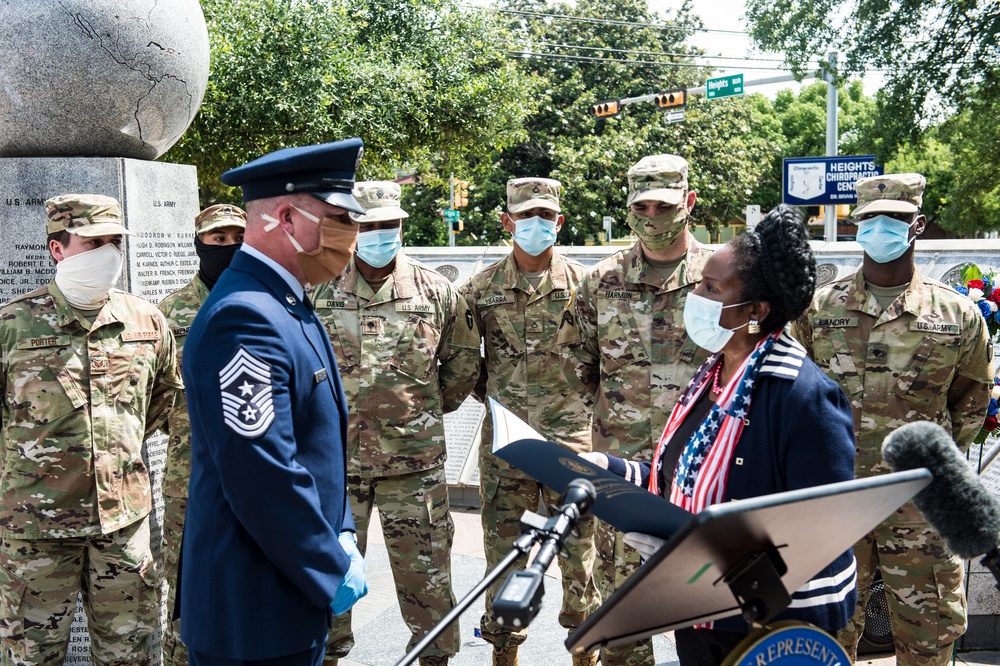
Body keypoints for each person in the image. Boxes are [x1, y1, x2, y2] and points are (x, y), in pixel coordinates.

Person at [586, 205, 858, 666]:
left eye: (711, 288)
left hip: (773, 633)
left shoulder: (802, 396)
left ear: (755, 310)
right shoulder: (712, 375)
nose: (696, 294)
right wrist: (606, 472)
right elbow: (685, 477)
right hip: (700, 612)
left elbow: (818, 537)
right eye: (699, 284)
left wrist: (704, 552)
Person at [180, 140, 369, 666]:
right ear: (286, 217)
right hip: (253, 607)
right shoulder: (246, 317)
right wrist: (329, 566)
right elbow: (261, 471)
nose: (350, 236)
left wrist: (343, 528)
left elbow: (317, 445)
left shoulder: (286, 301)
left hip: (285, 594)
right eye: (336, 218)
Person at [791, 173, 993, 666]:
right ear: (855, 226)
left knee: (929, 636)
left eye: (896, 219)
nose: (880, 228)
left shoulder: (958, 314)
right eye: (869, 219)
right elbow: (793, 397)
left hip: (919, 501)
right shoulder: (817, 310)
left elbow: (971, 404)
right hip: (835, 496)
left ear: (917, 225)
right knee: (823, 635)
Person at [0, 194, 181, 665]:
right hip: (35, 529)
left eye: (115, 242)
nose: (109, 253)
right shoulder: (12, 325)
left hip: (123, 525)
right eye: (94, 242)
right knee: (31, 657)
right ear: (58, 249)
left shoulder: (147, 321)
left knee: (131, 655)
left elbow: (162, 402)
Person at [555, 154, 714, 666]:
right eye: (640, 206)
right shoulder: (602, 280)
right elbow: (574, 363)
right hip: (626, 478)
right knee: (624, 619)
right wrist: (614, 421)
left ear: (688, 203)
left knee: (711, 613)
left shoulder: (722, 277)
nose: (651, 216)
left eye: (664, 205)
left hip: (704, 475)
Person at [315, 181, 480, 666]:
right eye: (367, 225)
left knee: (427, 585)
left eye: (388, 224)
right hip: (335, 470)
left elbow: (463, 365)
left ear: (402, 225)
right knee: (328, 583)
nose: (378, 234)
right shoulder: (314, 289)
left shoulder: (436, 291)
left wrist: (418, 416)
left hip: (415, 470)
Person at [461, 177, 600, 666]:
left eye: (545, 216)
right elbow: (464, 362)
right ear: (507, 222)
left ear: (559, 222)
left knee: (580, 558)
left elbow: (605, 360)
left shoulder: (588, 285)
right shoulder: (478, 289)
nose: (536, 225)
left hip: (572, 446)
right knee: (504, 558)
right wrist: (500, 401)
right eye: (525, 217)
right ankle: (503, 655)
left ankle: (585, 654)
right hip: (508, 447)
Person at [159, 203, 247, 666]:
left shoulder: (264, 299)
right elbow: (152, 391)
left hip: (254, 466)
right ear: (199, 243)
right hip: (187, 474)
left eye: (237, 237)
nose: (228, 246)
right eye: (217, 239)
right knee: (185, 580)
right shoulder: (170, 311)